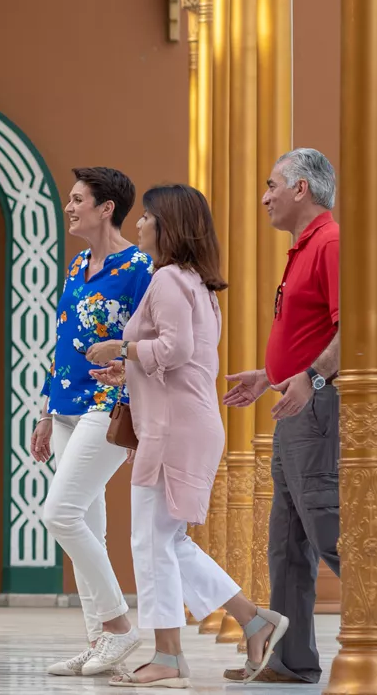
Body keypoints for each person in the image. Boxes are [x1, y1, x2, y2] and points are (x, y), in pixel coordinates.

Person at [221, 148, 377, 684]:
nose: (264, 197)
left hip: (318, 408)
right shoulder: (303, 249)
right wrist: (269, 375)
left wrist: (309, 380)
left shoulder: (329, 244)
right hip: (296, 407)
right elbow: (310, 332)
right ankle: (292, 660)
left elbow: (352, 329)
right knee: (286, 544)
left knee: (333, 534)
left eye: (271, 185)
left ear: (300, 189)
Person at [84, 183, 287, 688]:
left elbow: (172, 351)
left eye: (147, 218)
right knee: (167, 539)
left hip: (174, 427)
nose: (139, 225)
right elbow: (182, 358)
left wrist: (121, 350)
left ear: (167, 224)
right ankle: (254, 619)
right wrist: (127, 369)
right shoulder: (194, 283)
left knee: (149, 541)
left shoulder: (169, 280)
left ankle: (169, 657)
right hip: (182, 422)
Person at [31, 167, 152, 677]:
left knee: (59, 514)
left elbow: (153, 341)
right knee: (87, 527)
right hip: (64, 407)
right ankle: (99, 639)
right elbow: (61, 341)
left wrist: (138, 409)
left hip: (109, 405)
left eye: (78, 199)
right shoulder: (78, 264)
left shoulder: (139, 267)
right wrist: (43, 410)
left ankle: (120, 627)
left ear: (107, 208)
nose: (69, 207)